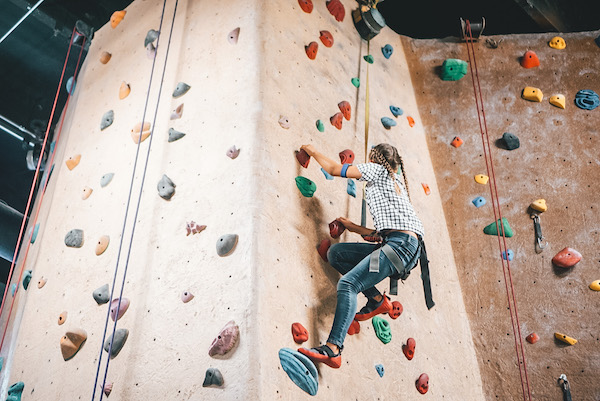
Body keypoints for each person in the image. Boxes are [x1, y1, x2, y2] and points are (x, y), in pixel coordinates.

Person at [297, 143, 425, 369]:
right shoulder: (396, 186)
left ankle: (333, 348)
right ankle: (376, 300)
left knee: (348, 284)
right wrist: (352, 226)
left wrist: (312, 150)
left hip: (398, 247)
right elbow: (377, 235)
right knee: (337, 254)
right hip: (400, 247)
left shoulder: (378, 171)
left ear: (375, 159)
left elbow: (336, 170)